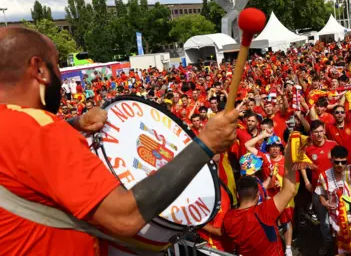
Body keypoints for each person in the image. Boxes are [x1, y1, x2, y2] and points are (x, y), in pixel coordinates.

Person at [0, 27, 240, 255]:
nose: (61, 76)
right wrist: (205, 144)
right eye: (56, 64)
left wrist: (75, 123)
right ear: (39, 69)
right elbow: (125, 218)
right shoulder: (41, 131)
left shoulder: (15, 126)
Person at [222, 141, 297, 256]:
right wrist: (290, 158)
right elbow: (290, 190)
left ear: (238, 195)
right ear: (258, 194)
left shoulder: (229, 218)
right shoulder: (265, 212)